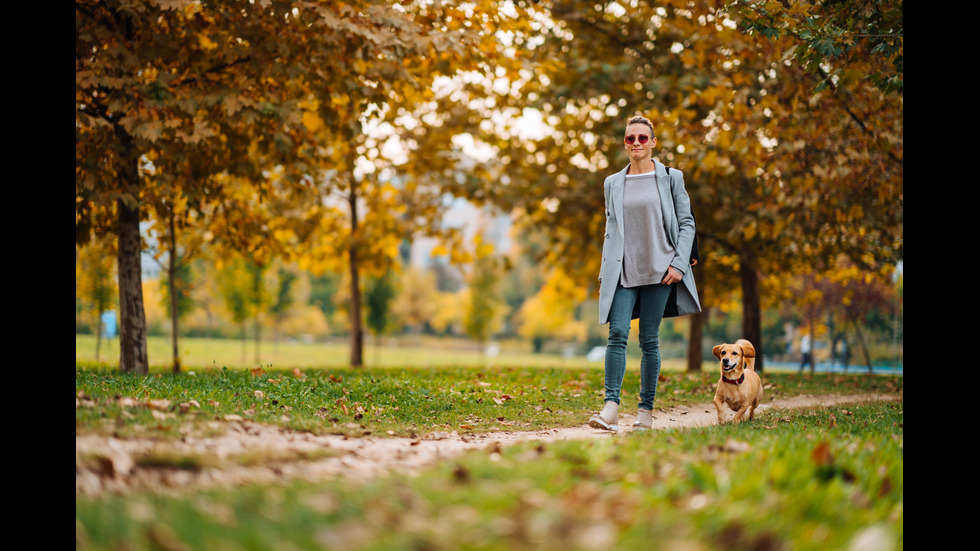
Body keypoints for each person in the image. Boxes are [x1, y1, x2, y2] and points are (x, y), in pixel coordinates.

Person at [590, 115, 702, 431]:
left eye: (643, 138)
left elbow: (687, 223)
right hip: (624, 271)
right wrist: (606, 271)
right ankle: (610, 407)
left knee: (649, 340)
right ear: (625, 143)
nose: (637, 143)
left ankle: (645, 411)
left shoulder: (671, 178)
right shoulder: (612, 183)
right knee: (617, 334)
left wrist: (679, 264)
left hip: (661, 271)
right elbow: (611, 231)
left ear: (653, 143)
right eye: (630, 138)